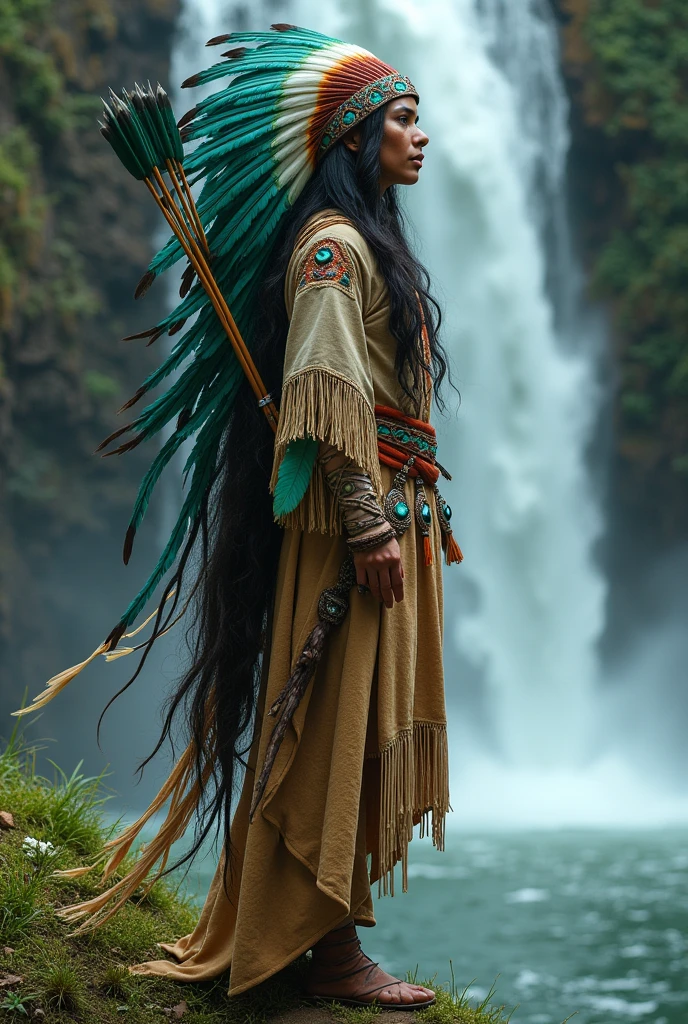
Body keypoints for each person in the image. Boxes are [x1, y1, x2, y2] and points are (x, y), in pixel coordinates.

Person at [18, 25, 460, 1012]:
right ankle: (328, 954)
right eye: (400, 119)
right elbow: (324, 383)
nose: (419, 136)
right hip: (359, 533)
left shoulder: (359, 241)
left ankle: (324, 937)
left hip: (388, 518)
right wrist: (369, 525)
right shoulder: (335, 250)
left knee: (343, 721)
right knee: (330, 721)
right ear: (351, 140)